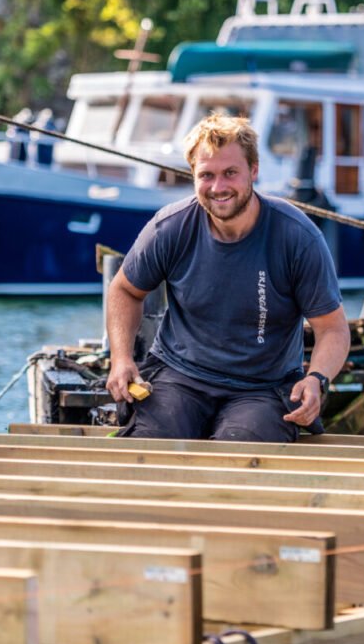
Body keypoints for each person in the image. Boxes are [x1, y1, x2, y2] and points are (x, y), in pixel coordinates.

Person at [105, 114, 351, 441]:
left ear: (254, 170)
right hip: (180, 377)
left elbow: (332, 328)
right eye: (206, 175)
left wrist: (316, 379)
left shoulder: (297, 236)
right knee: (152, 443)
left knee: (238, 448)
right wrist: (120, 358)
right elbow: (124, 290)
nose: (219, 187)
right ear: (193, 175)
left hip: (263, 387)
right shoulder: (170, 228)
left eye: (230, 173)